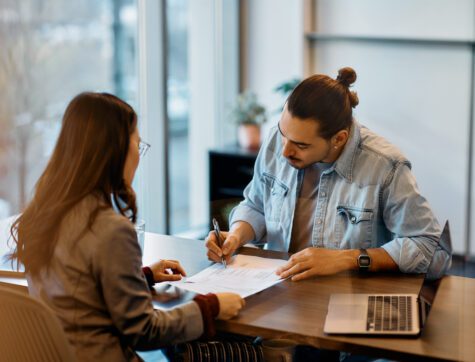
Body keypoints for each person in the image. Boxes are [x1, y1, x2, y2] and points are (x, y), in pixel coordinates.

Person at [8, 92, 244, 361]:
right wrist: (211, 307)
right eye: (138, 145)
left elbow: (76, 291)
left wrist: (142, 277)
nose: (139, 157)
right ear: (115, 150)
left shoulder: (43, 214)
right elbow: (144, 331)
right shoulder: (109, 229)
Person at [206, 67, 451, 281]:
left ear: (338, 139)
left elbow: (430, 248)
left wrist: (347, 259)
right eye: (283, 133)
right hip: (276, 290)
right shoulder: (276, 140)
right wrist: (236, 236)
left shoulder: (386, 166)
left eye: (301, 145)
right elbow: (256, 206)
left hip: (347, 300)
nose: (284, 151)